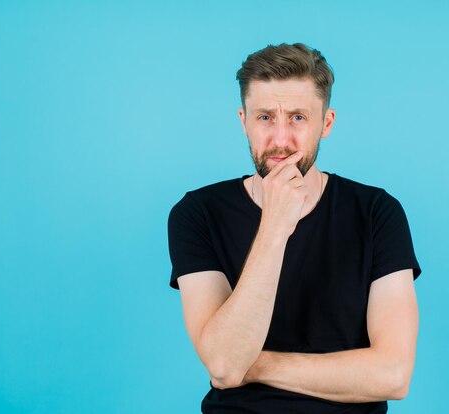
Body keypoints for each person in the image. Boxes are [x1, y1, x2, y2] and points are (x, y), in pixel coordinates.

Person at [167, 42, 422, 413]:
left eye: (298, 118)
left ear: (326, 124)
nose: (281, 140)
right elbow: (223, 364)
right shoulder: (197, 213)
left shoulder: (377, 212)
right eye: (265, 117)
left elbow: (393, 375)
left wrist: (253, 365)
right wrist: (274, 224)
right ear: (244, 122)